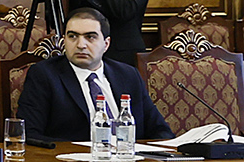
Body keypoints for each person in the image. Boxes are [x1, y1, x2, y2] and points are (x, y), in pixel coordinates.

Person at [15, 8, 171, 145]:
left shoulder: (128, 75)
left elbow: (160, 130)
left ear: (106, 44)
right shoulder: (44, 75)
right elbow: (30, 134)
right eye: (72, 36)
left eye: (90, 37)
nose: (81, 45)